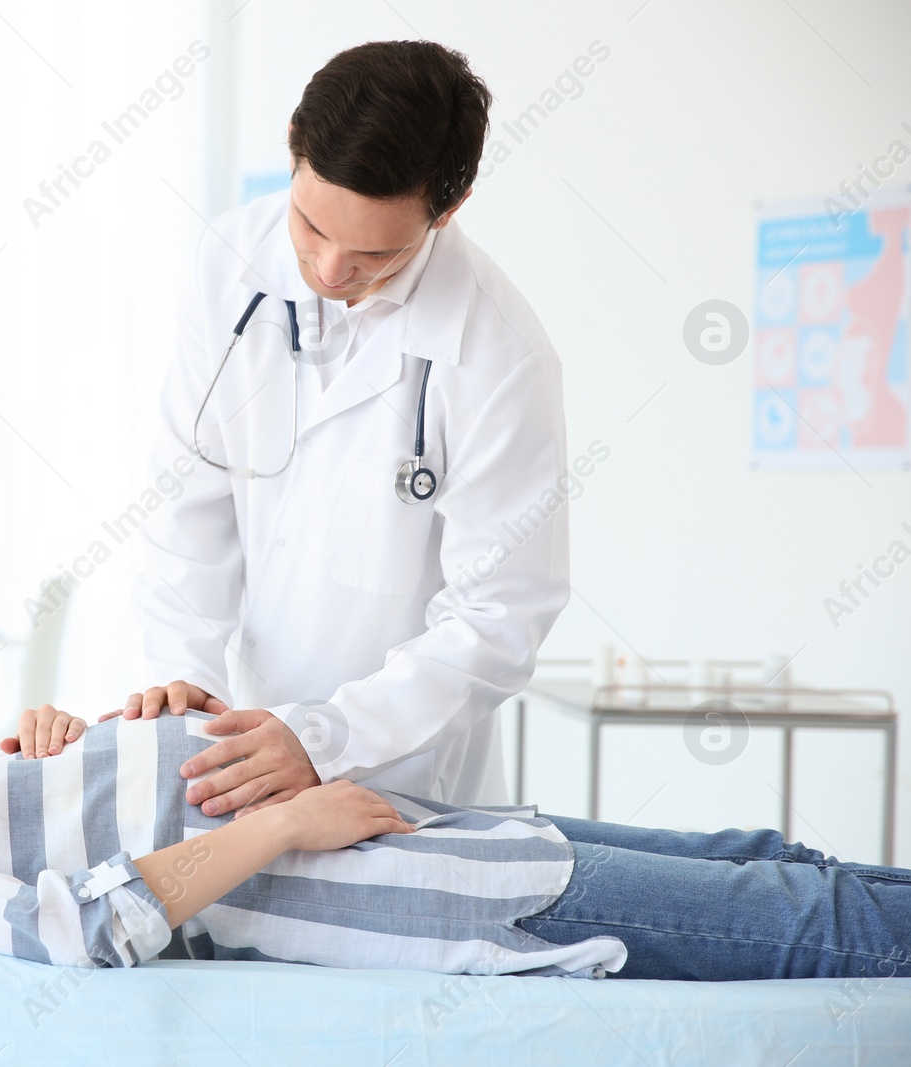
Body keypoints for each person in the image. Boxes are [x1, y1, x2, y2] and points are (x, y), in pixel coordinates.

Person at [0, 700, 911, 981]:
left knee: (768, 852)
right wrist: (282, 817)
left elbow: (65, 830)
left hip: (407, 823)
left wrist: (95, 729)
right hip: (407, 878)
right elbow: (74, 925)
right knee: (817, 921)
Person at [125, 39, 576, 817]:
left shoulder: (501, 354)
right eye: (309, 223)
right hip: (233, 750)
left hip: (404, 778)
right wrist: (187, 687)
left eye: (375, 251)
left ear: (449, 208)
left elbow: (498, 617)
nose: (331, 269)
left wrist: (328, 739)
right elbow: (187, 501)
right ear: (294, 152)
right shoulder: (231, 263)